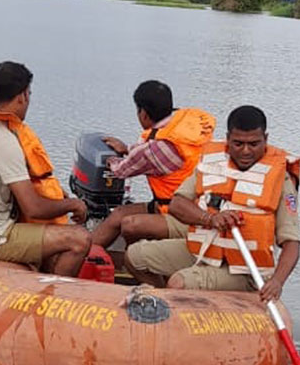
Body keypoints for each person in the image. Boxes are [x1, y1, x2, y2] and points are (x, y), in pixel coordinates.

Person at [123, 105, 300, 303]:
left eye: (253, 144)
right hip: (205, 250)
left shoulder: (281, 180)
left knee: (179, 282)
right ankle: (164, 304)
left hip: (244, 269)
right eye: (238, 144)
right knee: (134, 257)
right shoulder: (212, 163)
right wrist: (210, 218)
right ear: (228, 139)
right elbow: (176, 204)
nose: (245, 151)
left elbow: (291, 242)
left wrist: (277, 281)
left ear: (265, 139)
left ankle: (174, 300)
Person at [0, 61, 91, 278]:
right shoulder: (2, 139)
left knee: (52, 239)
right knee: (79, 239)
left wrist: (58, 198)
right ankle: (51, 296)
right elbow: (33, 209)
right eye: (29, 94)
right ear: (22, 96)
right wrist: (74, 204)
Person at [89, 81, 216, 250]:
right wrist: (128, 149)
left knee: (129, 224)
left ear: (144, 114)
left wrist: (109, 159)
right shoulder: (185, 126)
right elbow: (153, 155)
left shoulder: (156, 148)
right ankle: (87, 252)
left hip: (179, 212)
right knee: (118, 214)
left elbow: (121, 170)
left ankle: (133, 258)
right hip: (197, 204)